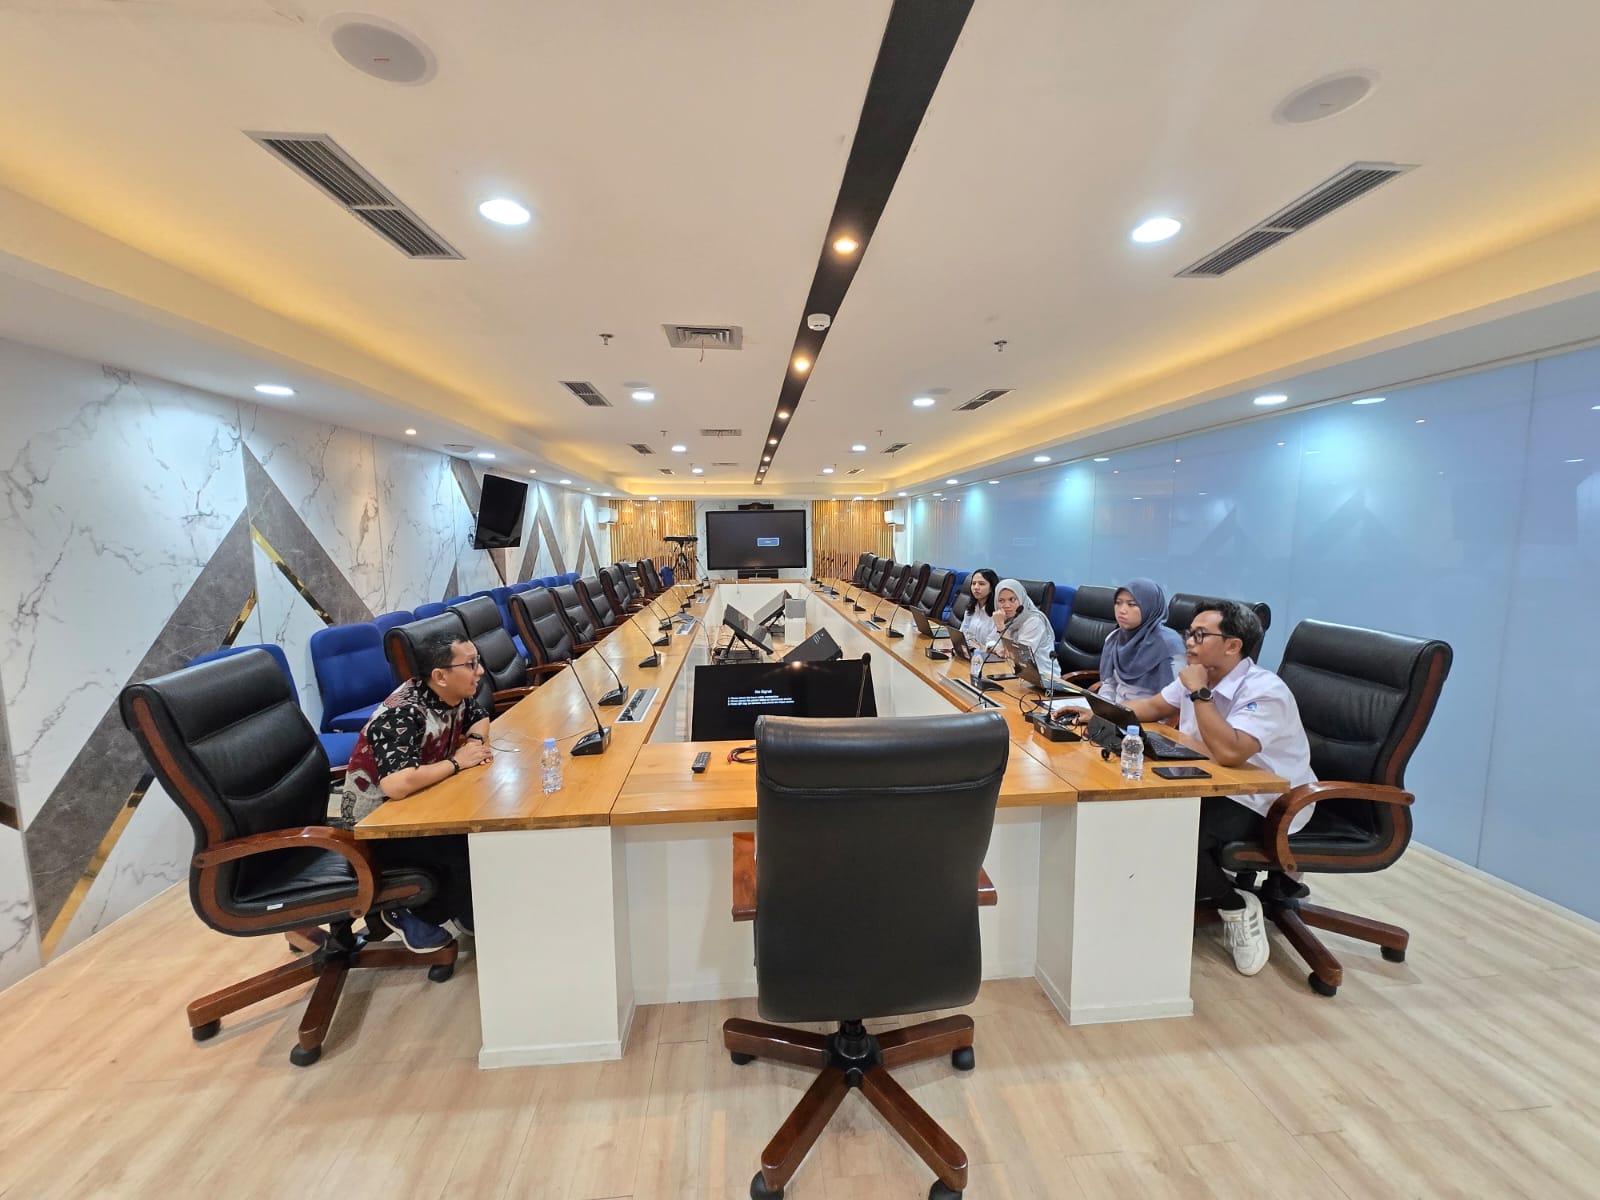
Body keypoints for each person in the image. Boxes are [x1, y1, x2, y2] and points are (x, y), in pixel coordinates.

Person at [1110, 600, 1315, 976]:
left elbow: (1230, 752)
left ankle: (1234, 905)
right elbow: (1154, 706)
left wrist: (1199, 693)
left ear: (1233, 645)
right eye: (1189, 633)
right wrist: (1098, 712)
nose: (1189, 641)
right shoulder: (1199, 674)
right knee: (1135, 812)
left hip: (1267, 800)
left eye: (1200, 635)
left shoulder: (1264, 690)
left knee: (1170, 830)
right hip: (1213, 783)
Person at [340, 630, 493, 952]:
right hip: (378, 827)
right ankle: (406, 910)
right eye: (471, 664)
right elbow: (396, 784)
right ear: (440, 675)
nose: (480, 671)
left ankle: (465, 907)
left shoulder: (451, 694)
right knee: (465, 843)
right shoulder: (403, 713)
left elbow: (480, 718)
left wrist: (475, 743)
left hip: (419, 804)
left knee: (480, 825)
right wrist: (457, 762)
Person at [1097, 578, 1186, 704]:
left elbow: (1175, 699)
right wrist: (1102, 708)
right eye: (1118, 603)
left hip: (1152, 713)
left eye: (1131, 604)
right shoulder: (1113, 638)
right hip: (1117, 709)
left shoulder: (1169, 645)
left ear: (1149, 607)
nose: (1122, 610)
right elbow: (1109, 685)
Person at [991, 578, 1056, 667]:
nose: (1007, 605)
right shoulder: (1004, 617)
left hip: (1041, 672)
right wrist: (996, 649)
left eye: (1012, 599)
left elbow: (1021, 658)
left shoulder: (1034, 621)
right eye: (1001, 600)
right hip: (1011, 668)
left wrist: (1001, 628)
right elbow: (990, 641)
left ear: (1021, 599)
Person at [959, 568, 1000, 648]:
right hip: (968, 650)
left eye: (981, 584)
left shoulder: (997, 613)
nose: (976, 587)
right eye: (973, 583)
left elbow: (992, 644)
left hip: (985, 654)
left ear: (992, 587)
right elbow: (962, 632)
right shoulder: (971, 607)